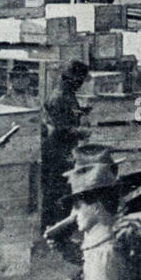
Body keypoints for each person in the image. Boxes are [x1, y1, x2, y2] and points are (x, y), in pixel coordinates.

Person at [41, 59, 91, 230]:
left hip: (63, 149)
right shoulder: (60, 96)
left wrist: (81, 112)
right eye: (80, 81)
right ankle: (54, 226)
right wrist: (79, 132)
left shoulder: (66, 94)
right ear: (72, 79)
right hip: (57, 151)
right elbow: (57, 128)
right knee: (58, 189)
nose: (81, 84)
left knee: (63, 188)